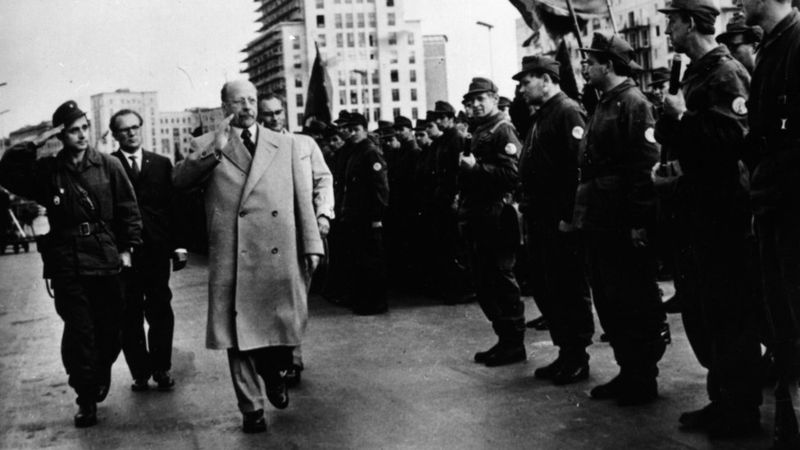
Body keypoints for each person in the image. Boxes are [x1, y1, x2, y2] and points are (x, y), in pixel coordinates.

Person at [172, 80, 323, 433]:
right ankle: (251, 408)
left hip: (278, 251)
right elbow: (179, 182)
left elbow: (303, 196)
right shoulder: (207, 145)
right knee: (236, 336)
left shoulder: (284, 144)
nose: (248, 106)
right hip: (232, 255)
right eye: (239, 101)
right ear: (224, 105)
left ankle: (274, 374)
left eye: (252, 99)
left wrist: (312, 244)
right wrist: (214, 151)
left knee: (279, 329)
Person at [655, 0, 762, 435]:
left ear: (690, 24)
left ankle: (742, 409)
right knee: (708, 312)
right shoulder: (697, 73)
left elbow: (732, 140)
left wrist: (682, 117)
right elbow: (680, 137)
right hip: (697, 209)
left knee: (732, 314)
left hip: (725, 212)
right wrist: (672, 124)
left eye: (672, 23)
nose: (667, 32)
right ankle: (722, 398)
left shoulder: (726, 73)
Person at [0, 100, 142, 427]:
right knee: (80, 331)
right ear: (61, 135)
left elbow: (128, 209)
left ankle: (100, 370)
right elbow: (6, 171)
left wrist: (127, 249)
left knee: (111, 330)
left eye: (84, 129)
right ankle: (86, 396)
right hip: (67, 262)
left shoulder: (108, 165)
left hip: (106, 258)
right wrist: (36, 142)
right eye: (73, 130)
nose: (81, 136)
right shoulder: (48, 170)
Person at [575, 33, 668, 405]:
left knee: (633, 299)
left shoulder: (632, 102)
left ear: (608, 65)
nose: (585, 67)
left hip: (622, 221)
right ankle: (628, 369)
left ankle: (643, 376)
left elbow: (644, 167)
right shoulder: (605, 102)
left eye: (591, 61)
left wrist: (640, 221)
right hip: (602, 219)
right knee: (611, 299)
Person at [514, 55, 594, 385]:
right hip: (540, 217)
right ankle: (565, 352)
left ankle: (577, 356)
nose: (520, 88)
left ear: (546, 79)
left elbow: (578, 169)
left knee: (568, 287)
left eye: (526, 81)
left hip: (558, 219)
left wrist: (569, 217)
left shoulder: (567, 111)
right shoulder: (543, 115)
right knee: (549, 288)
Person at [741, 0, 800, 446]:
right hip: (773, 208)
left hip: (792, 209)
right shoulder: (772, 48)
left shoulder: (796, 45)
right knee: (783, 320)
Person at [257, 93, 334, 386]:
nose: (274, 118)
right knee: (270, 300)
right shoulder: (255, 149)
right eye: (267, 114)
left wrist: (323, 214)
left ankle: (293, 357)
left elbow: (323, 179)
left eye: (278, 112)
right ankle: (275, 356)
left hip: (299, 232)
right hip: (265, 236)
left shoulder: (304, 144)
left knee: (298, 297)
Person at [110, 109, 186, 393]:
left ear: (141, 129)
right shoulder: (109, 164)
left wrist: (178, 246)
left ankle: (162, 368)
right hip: (124, 254)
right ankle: (140, 372)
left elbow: (174, 208)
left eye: (134, 127)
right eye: (124, 130)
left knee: (160, 309)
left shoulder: (161, 164)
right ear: (115, 135)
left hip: (156, 251)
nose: (131, 133)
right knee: (128, 314)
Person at [459, 77, 526, 367]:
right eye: (470, 101)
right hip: (478, 215)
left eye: (480, 99)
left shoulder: (502, 129)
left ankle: (514, 344)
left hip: (497, 215)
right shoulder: (479, 130)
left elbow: (512, 175)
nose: (474, 105)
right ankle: (504, 339)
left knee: (501, 279)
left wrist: (477, 169)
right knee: (485, 282)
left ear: (495, 99)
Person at [338, 112, 390, 315]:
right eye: (349, 130)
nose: (352, 133)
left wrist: (377, 217)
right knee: (360, 259)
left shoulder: (370, 152)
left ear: (365, 130)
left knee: (372, 261)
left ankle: (376, 303)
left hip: (368, 216)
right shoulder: (355, 151)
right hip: (356, 215)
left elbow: (381, 188)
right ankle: (364, 300)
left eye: (356, 130)